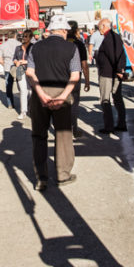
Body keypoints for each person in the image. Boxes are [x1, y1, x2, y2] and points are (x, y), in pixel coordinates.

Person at [27, 16, 81, 191]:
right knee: (63, 135)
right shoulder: (72, 47)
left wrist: (41, 93)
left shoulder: (35, 47)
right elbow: (75, 76)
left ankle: (41, 178)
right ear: (64, 31)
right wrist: (63, 96)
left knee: (39, 136)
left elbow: (30, 73)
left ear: (50, 30)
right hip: (61, 93)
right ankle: (62, 175)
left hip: (39, 95)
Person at [95, 18, 127, 134]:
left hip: (108, 74)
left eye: (99, 27)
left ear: (104, 26)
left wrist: (119, 70)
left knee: (105, 99)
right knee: (117, 98)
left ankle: (109, 126)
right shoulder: (114, 36)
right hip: (112, 72)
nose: (99, 31)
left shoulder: (110, 38)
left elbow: (115, 55)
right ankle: (120, 123)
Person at [66, 20, 91, 137]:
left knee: (63, 105)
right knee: (74, 104)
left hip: (62, 78)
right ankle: (74, 129)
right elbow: (84, 65)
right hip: (75, 79)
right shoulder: (79, 44)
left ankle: (64, 130)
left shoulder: (62, 43)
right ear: (76, 30)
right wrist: (87, 81)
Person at [13, 30, 34, 120]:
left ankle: (30, 108)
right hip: (19, 69)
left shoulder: (33, 47)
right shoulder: (18, 47)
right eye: (23, 36)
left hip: (30, 69)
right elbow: (14, 58)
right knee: (22, 90)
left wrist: (26, 61)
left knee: (31, 91)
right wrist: (16, 62)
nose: (24, 38)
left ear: (30, 37)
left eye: (26, 36)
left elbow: (36, 59)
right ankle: (23, 111)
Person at [0, 32, 21, 109]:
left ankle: (10, 104)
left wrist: (4, 64)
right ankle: (24, 103)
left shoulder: (3, 45)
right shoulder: (19, 44)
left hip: (8, 67)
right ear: (15, 36)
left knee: (8, 86)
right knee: (21, 86)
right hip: (18, 66)